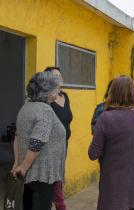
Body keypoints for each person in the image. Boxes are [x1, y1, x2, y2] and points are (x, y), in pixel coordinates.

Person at [88, 75, 134, 210]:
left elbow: (93, 154)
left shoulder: (105, 118)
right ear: (133, 93)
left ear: (112, 93)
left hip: (114, 191)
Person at [12, 71, 66, 210]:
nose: (58, 91)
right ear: (47, 92)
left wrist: (18, 163)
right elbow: (37, 143)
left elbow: (17, 136)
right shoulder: (44, 110)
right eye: (56, 89)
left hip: (29, 172)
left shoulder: (27, 105)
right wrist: (23, 167)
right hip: (42, 174)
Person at [44, 67, 73, 210]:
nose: (60, 78)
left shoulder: (65, 97)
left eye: (60, 76)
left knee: (57, 180)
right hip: (49, 147)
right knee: (53, 182)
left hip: (63, 146)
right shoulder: (46, 99)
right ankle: (60, 206)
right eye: (56, 76)